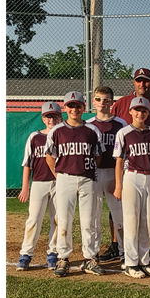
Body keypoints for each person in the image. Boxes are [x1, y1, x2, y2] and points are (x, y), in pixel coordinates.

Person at [111, 68, 150, 256]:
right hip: (128, 168)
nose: (142, 84)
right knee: (122, 207)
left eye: (146, 81)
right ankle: (117, 245)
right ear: (134, 82)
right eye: (139, 80)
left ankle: (146, 247)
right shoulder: (122, 103)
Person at [44, 91, 105, 277]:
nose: (74, 109)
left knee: (89, 220)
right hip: (65, 178)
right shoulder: (56, 131)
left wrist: (88, 170)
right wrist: (59, 174)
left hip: (87, 179)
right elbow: (49, 157)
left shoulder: (92, 130)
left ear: (83, 107)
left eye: (78, 106)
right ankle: (63, 258)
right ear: (65, 108)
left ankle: (89, 258)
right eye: (71, 106)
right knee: (64, 220)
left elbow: (98, 156)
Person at [112, 96, 150, 279]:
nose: (140, 113)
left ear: (148, 113)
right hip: (132, 177)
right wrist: (118, 185)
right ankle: (130, 263)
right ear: (130, 112)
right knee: (131, 220)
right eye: (137, 110)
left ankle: (144, 261)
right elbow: (119, 161)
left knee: (147, 220)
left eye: (143, 110)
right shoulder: (124, 132)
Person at [16, 101, 62, 271]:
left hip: (59, 183)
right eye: (48, 116)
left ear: (61, 117)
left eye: (55, 116)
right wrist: (25, 187)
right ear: (43, 118)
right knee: (34, 219)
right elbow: (27, 164)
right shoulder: (35, 137)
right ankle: (26, 254)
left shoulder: (63, 135)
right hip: (39, 182)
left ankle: (53, 253)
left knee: (58, 219)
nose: (52, 120)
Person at [85, 86, 128, 268]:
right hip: (93, 172)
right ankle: (92, 254)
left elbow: (126, 153)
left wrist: (118, 179)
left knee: (119, 215)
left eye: (106, 100)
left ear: (112, 102)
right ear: (93, 101)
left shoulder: (121, 124)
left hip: (113, 172)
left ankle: (124, 252)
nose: (102, 103)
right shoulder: (88, 124)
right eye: (98, 99)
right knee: (93, 215)